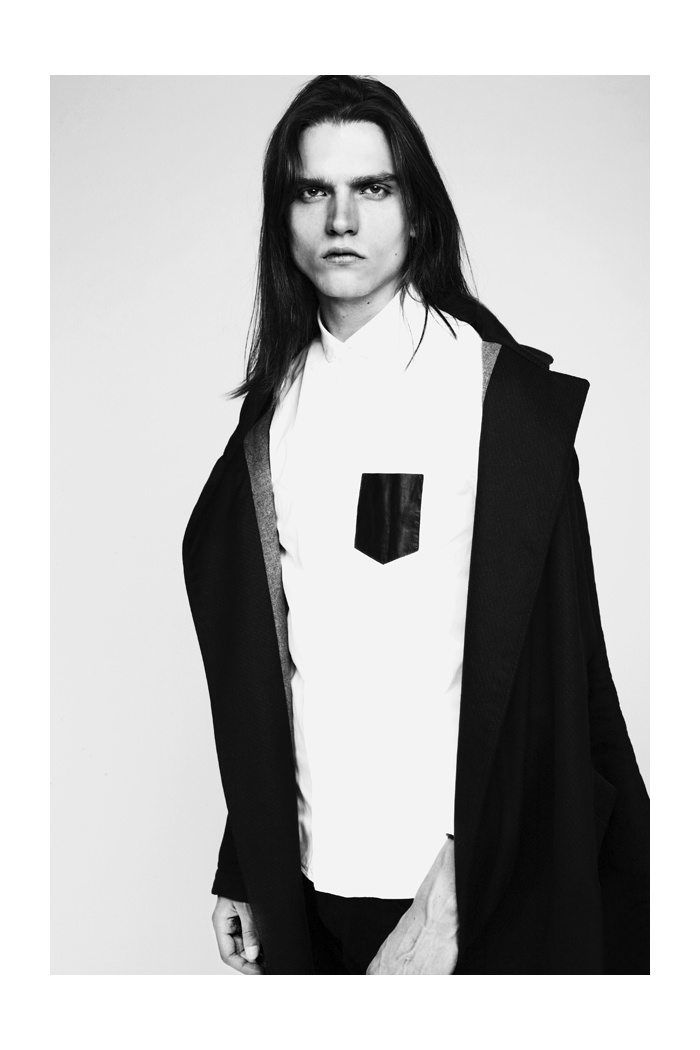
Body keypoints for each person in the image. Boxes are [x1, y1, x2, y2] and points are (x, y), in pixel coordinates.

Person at [182, 75, 650, 975]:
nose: (341, 219)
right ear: (283, 218)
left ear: (417, 212)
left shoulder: (497, 406)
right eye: (313, 191)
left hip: (465, 896)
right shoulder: (273, 423)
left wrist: (449, 909)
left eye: (373, 187)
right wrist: (246, 853)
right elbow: (288, 663)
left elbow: (555, 685)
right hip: (307, 888)